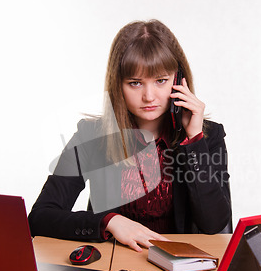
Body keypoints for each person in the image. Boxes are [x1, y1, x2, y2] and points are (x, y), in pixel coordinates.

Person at [28, 19, 232, 252]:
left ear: (178, 81)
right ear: (118, 85)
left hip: (181, 267)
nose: (149, 96)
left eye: (161, 81)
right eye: (135, 83)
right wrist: (108, 222)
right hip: (115, 265)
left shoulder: (207, 135)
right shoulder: (92, 136)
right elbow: (39, 218)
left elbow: (215, 224)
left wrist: (194, 139)